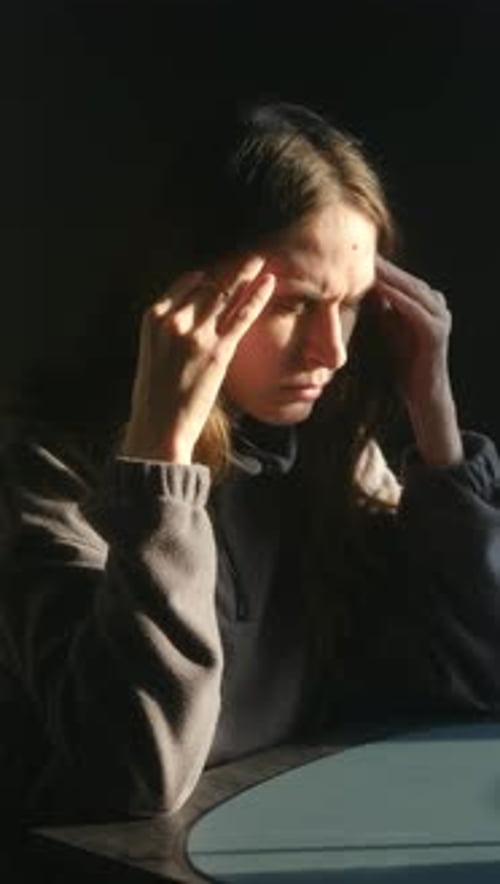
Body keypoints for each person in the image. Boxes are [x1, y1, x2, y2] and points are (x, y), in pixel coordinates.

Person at [1, 100, 500, 825]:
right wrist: (160, 467)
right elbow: (132, 773)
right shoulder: (48, 473)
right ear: (184, 298)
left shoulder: (332, 457)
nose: (331, 351)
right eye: (295, 305)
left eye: (353, 305)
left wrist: (436, 422)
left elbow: (484, 676)